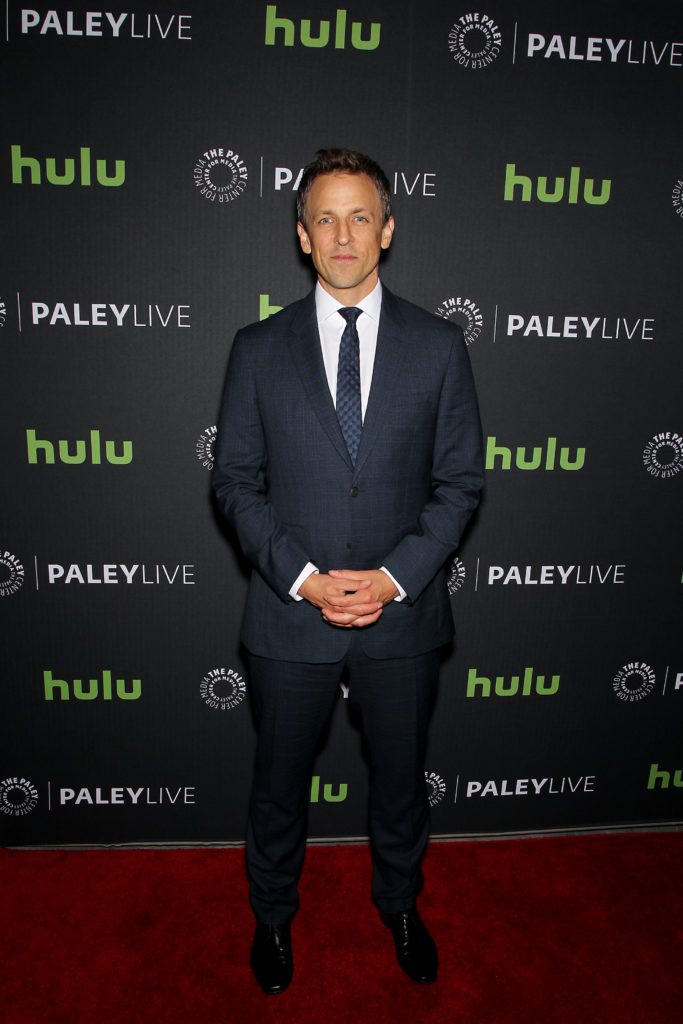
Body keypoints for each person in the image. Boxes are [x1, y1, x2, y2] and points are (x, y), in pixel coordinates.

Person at [213, 148, 483, 994]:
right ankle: (271, 917)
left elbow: (459, 482)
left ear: (388, 229)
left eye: (359, 215)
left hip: (401, 617)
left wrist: (393, 578)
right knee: (277, 787)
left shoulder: (439, 347)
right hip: (289, 616)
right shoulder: (256, 348)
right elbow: (234, 481)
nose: (342, 233)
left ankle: (400, 904)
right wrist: (303, 577)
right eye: (324, 217)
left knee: (400, 785)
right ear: (301, 235)